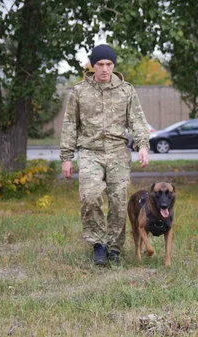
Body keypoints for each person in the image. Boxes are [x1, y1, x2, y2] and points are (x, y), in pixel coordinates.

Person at [60, 44, 150, 266]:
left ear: (114, 66)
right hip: (90, 153)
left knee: (119, 203)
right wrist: (66, 157)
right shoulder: (79, 91)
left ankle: (115, 249)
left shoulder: (126, 90)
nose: (104, 69)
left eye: (109, 64)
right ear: (93, 66)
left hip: (118, 153)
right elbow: (70, 124)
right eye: (100, 64)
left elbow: (137, 120)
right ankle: (98, 245)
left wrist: (143, 146)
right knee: (90, 198)